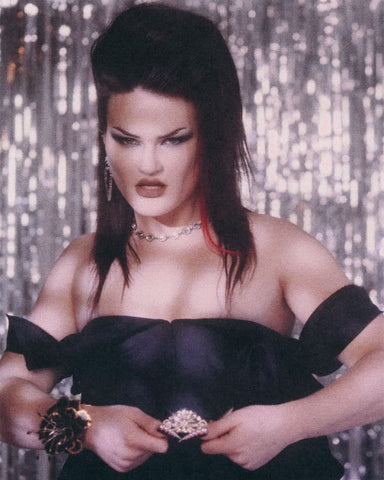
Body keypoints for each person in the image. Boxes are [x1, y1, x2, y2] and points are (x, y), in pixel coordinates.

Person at [0, 3, 383, 479]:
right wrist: (85, 426)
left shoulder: (278, 250)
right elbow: (7, 394)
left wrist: (290, 423)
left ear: (212, 139)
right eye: (126, 139)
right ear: (103, 138)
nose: (148, 166)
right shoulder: (84, 262)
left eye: (173, 139)